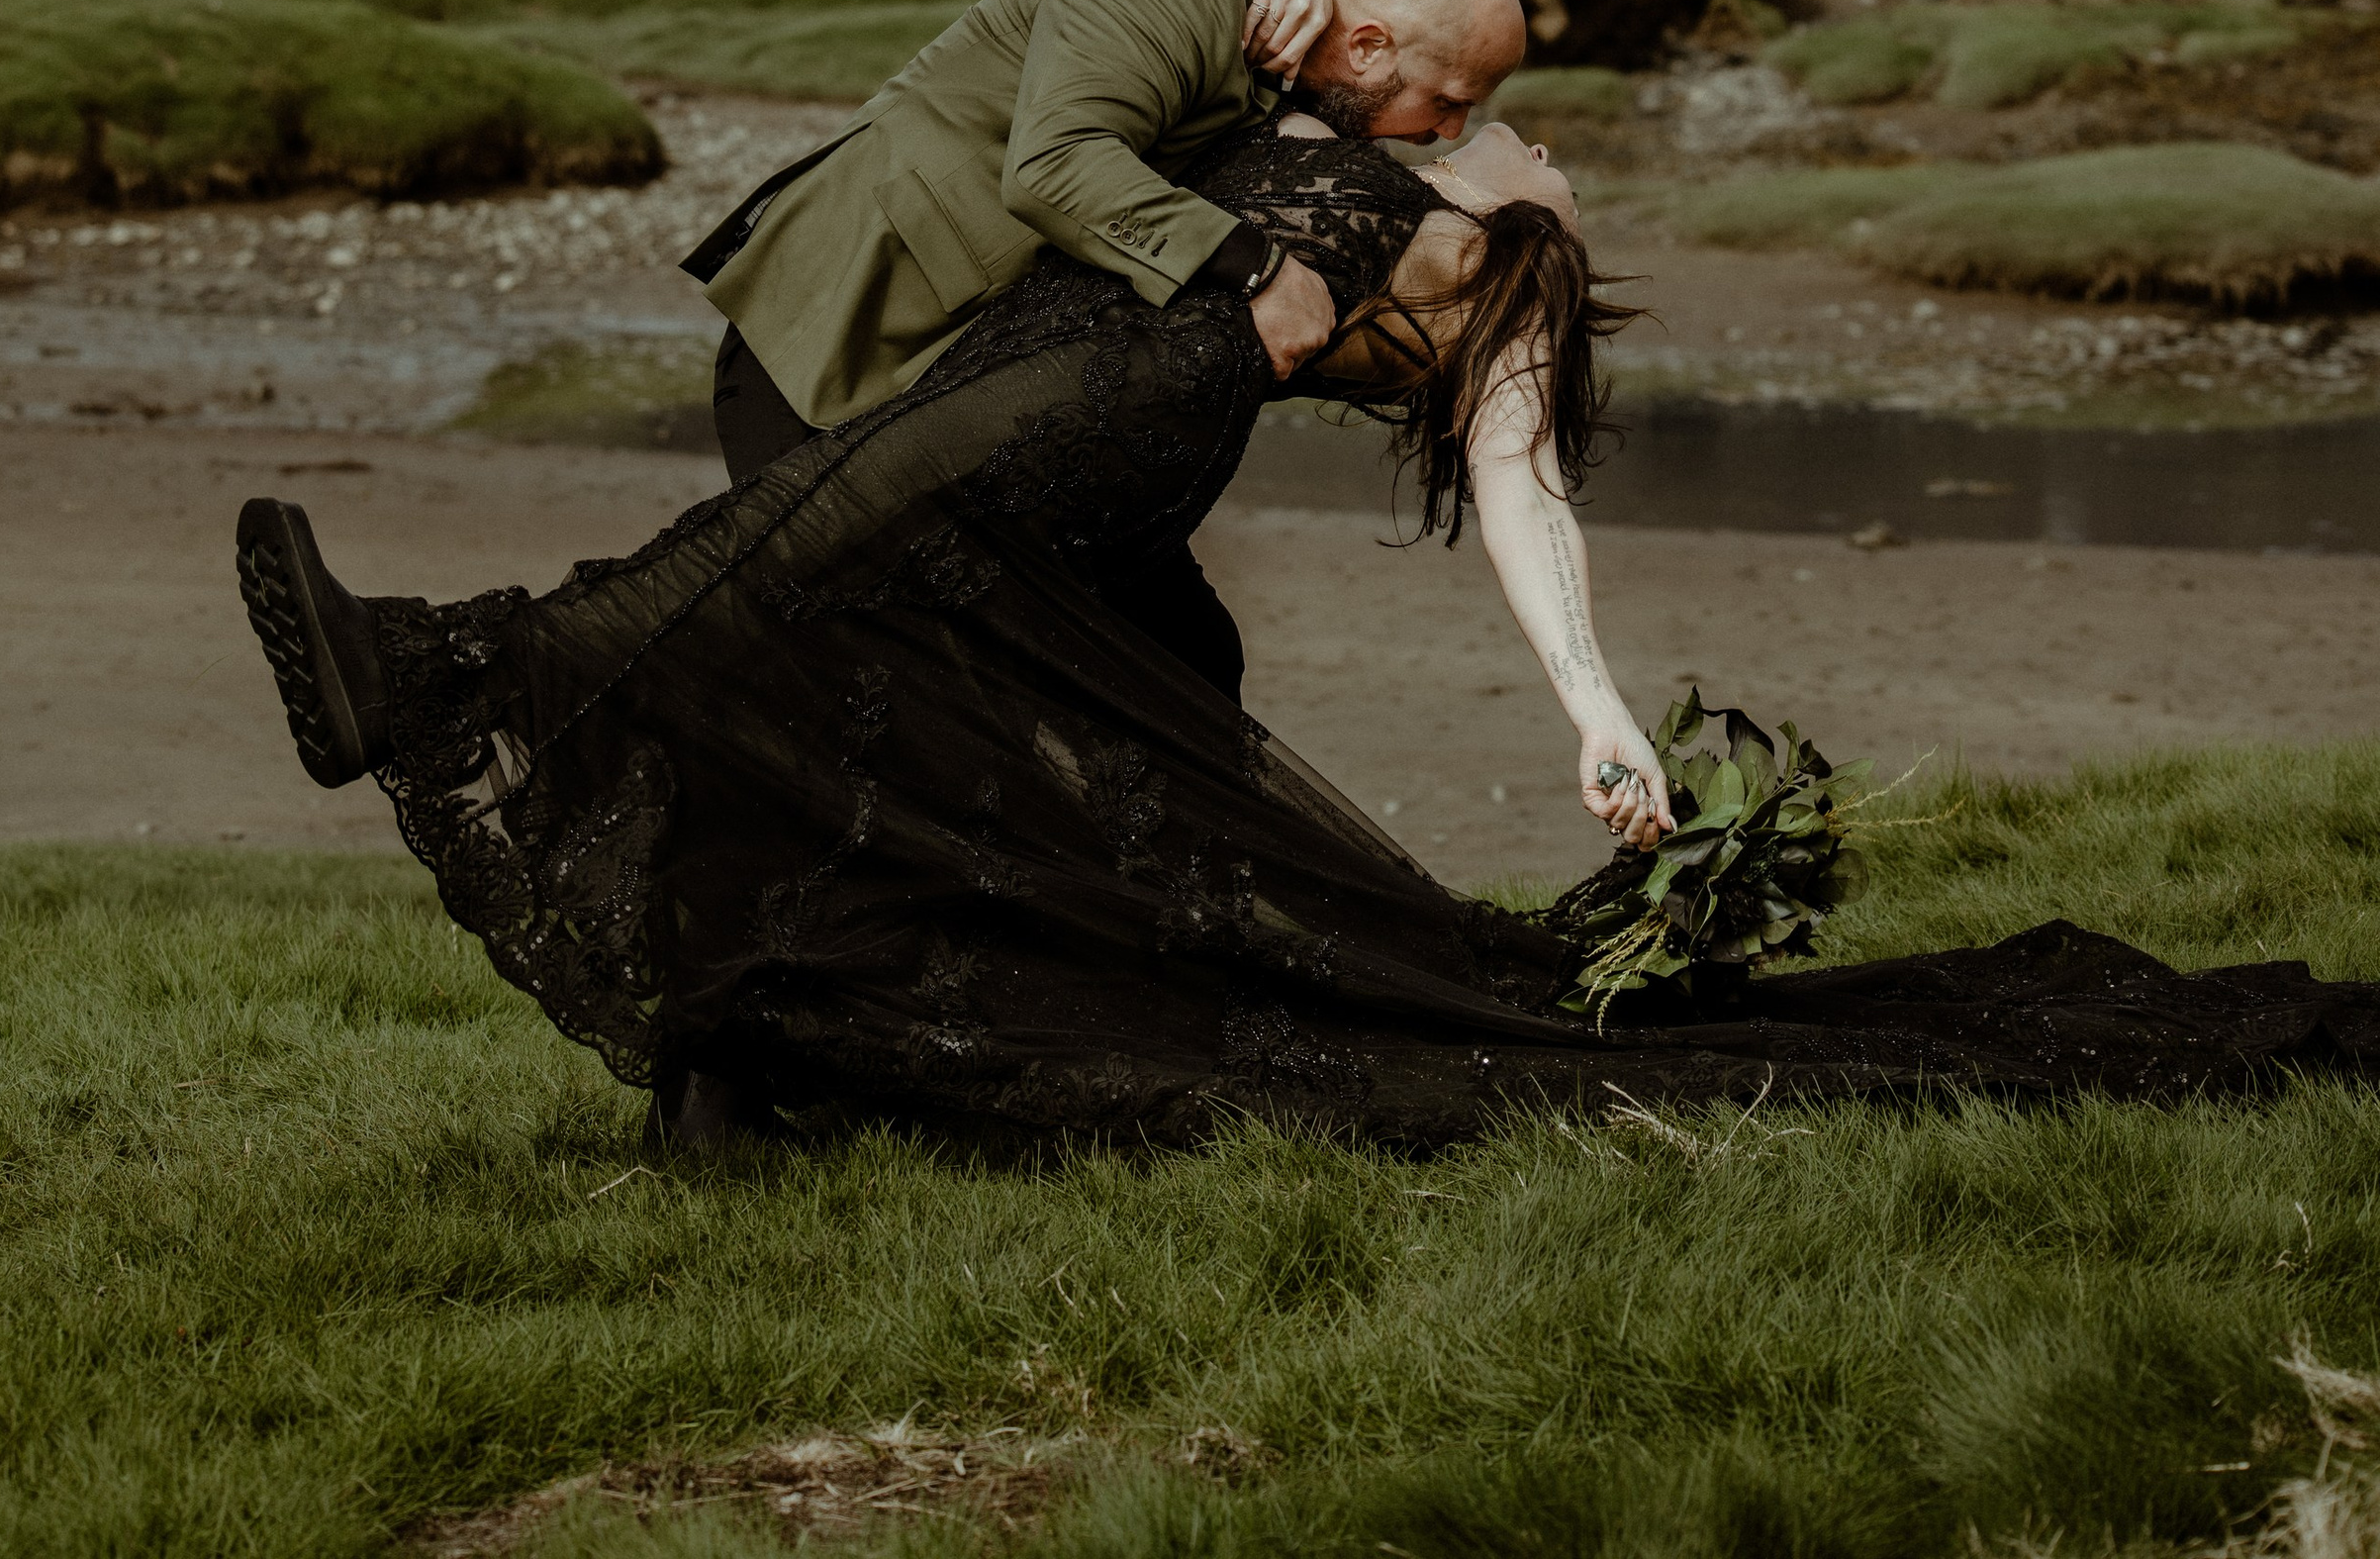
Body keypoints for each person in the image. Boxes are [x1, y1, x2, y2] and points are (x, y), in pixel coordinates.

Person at [236, 78, 2377, 1155]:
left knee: (823, 602)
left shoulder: (1495, 253)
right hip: (1058, 397)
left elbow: (1525, 483)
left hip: (1103, 407)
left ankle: (455, 670)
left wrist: (1594, 707)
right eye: (1476, 87)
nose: (1493, 113)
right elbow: (1029, 108)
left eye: (1509, 113)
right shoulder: (1309, 116)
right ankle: (771, 1050)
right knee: (1027, 712)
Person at [688, 0, 1548, 726]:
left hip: (981, 386)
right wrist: (1259, 270)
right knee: (853, 669)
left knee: (1188, 657)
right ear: (1367, 46)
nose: (1449, 130)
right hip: (834, 340)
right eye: (1447, 99)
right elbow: (1056, 166)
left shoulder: (1293, 37)